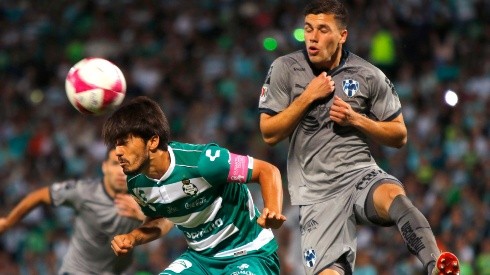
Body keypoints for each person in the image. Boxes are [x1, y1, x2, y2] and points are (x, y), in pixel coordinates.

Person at [257, 1, 460, 275]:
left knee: (394, 197)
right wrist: (308, 97)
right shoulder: (285, 68)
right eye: (308, 29)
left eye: (323, 29)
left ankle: (437, 265)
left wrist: (357, 120)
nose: (313, 37)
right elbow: (269, 133)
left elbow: (399, 134)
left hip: (359, 173)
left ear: (342, 35)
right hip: (316, 194)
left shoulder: (368, 75)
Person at [101, 96, 287, 275]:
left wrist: (272, 209)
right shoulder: (136, 183)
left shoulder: (204, 162)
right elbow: (162, 220)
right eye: (116, 145)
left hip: (249, 252)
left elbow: (267, 171)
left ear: (153, 141)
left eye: (124, 143)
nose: (117, 152)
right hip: (201, 260)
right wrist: (132, 238)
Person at [0, 148, 145, 274]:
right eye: (115, 164)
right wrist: (9, 221)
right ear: (105, 167)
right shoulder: (82, 191)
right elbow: (40, 195)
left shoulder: (137, 196)